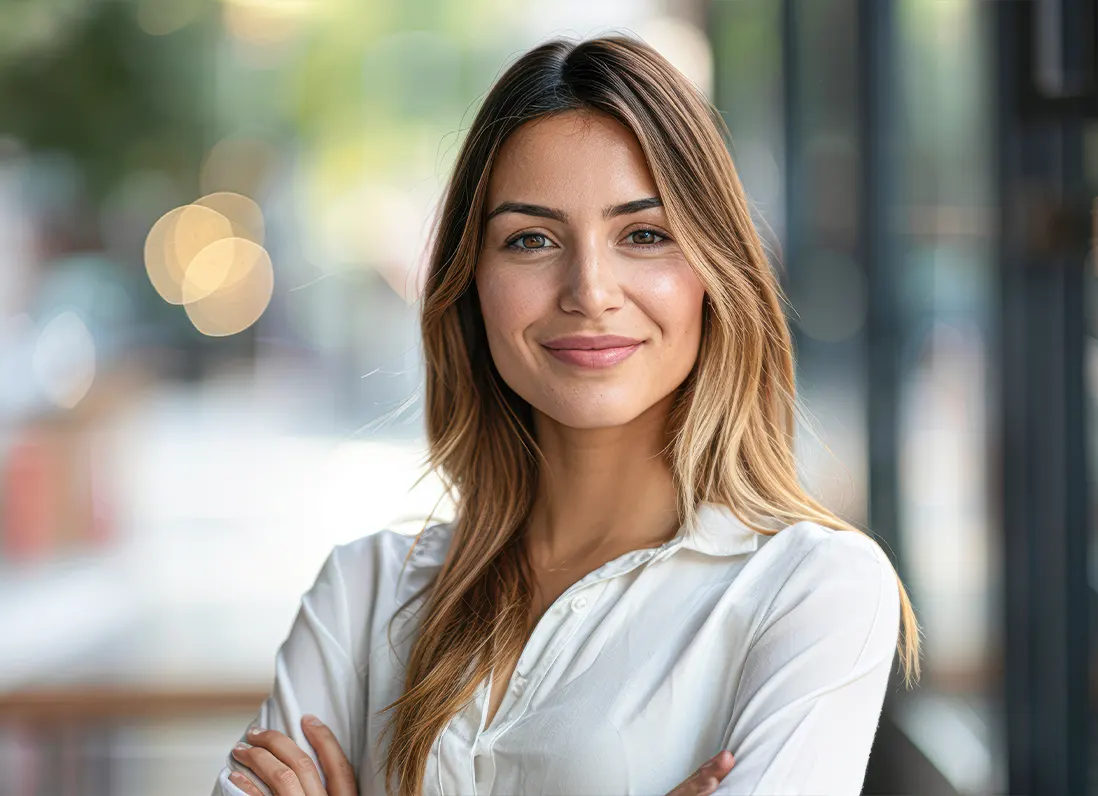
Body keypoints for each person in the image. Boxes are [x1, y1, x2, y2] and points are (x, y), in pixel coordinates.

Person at [210, 34, 921, 796]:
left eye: (644, 235)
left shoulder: (810, 589)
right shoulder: (362, 594)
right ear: (471, 283)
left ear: (715, 275)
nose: (590, 289)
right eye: (532, 239)